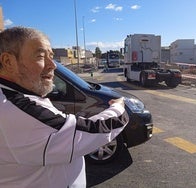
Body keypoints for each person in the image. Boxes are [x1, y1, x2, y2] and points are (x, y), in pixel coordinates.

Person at [0, 26, 129, 188]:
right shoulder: (15, 109)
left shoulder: (12, 96)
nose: (52, 65)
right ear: (8, 62)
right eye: (40, 56)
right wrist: (118, 108)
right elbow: (90, 130)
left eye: (51, 56)